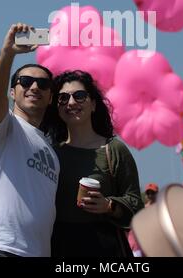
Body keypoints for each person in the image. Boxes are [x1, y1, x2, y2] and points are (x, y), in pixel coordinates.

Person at [0, 23, 59, 257]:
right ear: (12, 93)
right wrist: (8, 52)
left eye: (43, 84)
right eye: (25, 82)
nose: (34, 87)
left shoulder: (52, 150)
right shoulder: (7, 126)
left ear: (50, 98)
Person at [42, 70, 143, 257]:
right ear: (57, 107)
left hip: (105, 248)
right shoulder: (50, 153)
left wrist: (109, 206)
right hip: (60, 246)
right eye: (63, 98)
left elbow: (136, 204)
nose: (71, 103)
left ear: (94, 104)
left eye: (79, 96)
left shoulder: (113, 149)